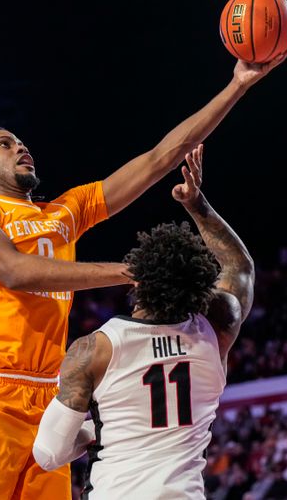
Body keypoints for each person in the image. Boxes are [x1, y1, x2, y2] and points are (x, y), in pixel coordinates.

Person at [0, 48, 287, 499]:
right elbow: (13, 271)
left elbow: (161, 157)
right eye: (5, 143)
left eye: (20, 141)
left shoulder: (65, 211)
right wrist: (129, 269)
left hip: (53, 391)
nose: (21, 146)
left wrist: (237, 85)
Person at [32, 145, 254, 498]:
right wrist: (197, 205)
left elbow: (48, 454)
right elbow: (239, 268)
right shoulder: (218, 326)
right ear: (199, 286)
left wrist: (94, 431)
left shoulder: (95, 349)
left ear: (134, 279)